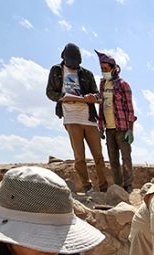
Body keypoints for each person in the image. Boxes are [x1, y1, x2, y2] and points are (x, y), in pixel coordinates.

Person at [46, 42, 111, 195]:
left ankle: (104, 187)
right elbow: (50, 92)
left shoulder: (86, 74)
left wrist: (92, 97)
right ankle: (87, 187)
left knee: (98, 156)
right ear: (64, 58)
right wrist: (63, 98)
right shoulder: (56, 70)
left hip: (88, 117)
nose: (74, 66)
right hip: (71, 118)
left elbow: (98, 95)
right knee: (79, 157)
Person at [96, 50, 136, 193]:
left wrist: (130, 129)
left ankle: (128, 185)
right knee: (113, 160)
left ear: (113, 68)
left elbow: (130, 108)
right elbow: (101, 106)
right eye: (101, 69)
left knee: (126, 157)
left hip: (122, 128)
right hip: (109, 128)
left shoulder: (123, 85)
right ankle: (118, 187)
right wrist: (101, 127)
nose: (103, 71)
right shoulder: (102, 85)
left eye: (105, 69)